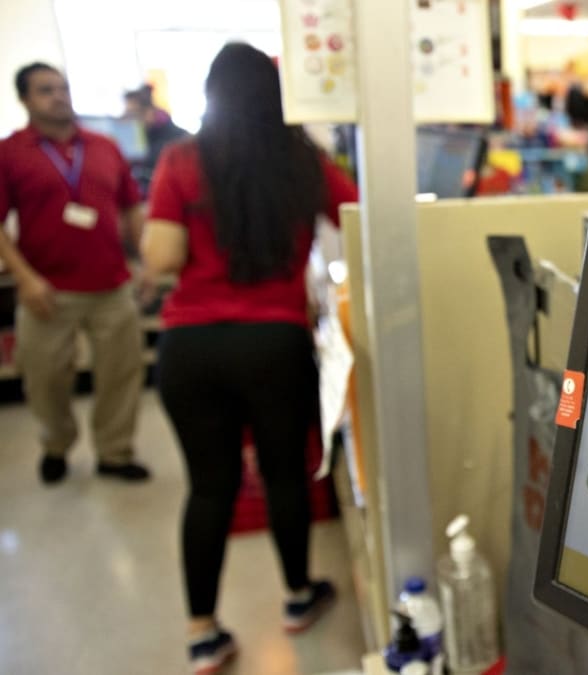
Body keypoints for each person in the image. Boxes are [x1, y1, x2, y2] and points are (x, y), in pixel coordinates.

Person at [141, 43, 358, 673]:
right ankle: (297, 597)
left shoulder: (181, 159)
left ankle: (203, 632)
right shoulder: (302, 160)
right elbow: (358, 216)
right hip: (275, 343)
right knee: (284, 473)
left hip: (192, 348)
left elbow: (162, 259)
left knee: (210, 488)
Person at [0, 62, 150, 485]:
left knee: (121, 374)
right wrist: (25, 279)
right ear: (26, 99)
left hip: (112, 285)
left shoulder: (104, 146)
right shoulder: (10, 153)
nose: (59, 96)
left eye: (63, 88)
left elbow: (131, 207)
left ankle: (115, 452)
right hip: (47, 290)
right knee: (44, 380)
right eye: (46, 90)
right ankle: (56, 444)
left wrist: (144, 260)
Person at [123, 84, 189, 197]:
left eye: (132, 114)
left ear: (148, 112)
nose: (127, 118)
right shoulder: (144, 135)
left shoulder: (176, 140)